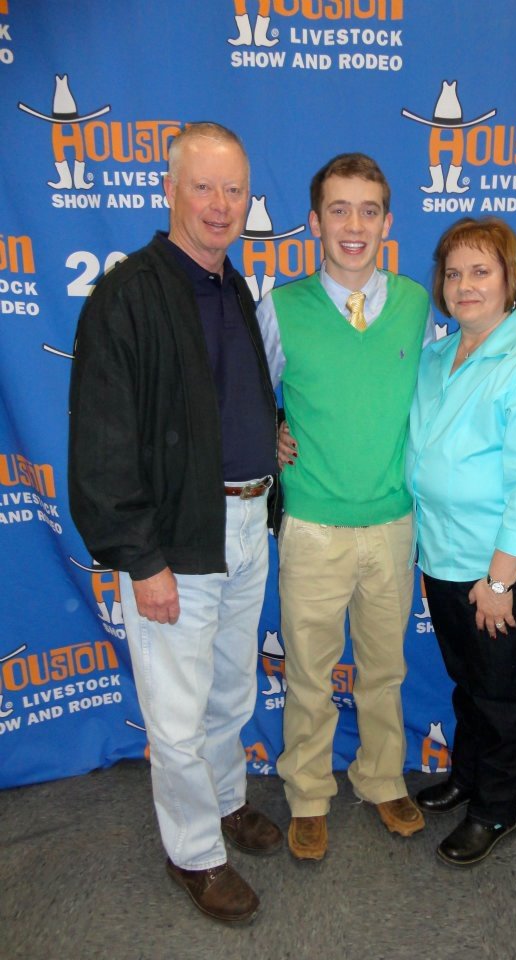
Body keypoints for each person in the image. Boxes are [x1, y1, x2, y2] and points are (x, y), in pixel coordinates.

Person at [68, 122, 282, 923]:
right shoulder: (128, 295)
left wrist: (269, 439)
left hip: (244, 523)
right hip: (174, 544)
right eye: (204, 186)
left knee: (229, 692)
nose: (222, 205)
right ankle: (194, 852)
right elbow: (101, 442)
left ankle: (226, 803)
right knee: (179, 713)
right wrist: (140, 558)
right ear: (169, 190)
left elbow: (219, 401)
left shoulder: (230, 285)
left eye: (235, 190)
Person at [257, 153, 434, 861]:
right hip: (311, 526)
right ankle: (306, 792)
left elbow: (439, 398)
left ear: (388, 222)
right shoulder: (281, 307)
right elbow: (243, 393)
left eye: (368, 210)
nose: (353, 225)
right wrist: (265, 433)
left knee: (385, 667)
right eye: (339, 209)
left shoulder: (421, 304)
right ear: (314, 222)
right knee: (308, 669)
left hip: (392, 524)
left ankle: (382, 777)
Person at [406, 217, 516, 868]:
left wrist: (500, 581)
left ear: (513, 281)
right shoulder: (434, 357)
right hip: (442, 556)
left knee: (500, 692)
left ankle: (496, 807)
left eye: (481, 271)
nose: (464, 285)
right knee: (467, 680)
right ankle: (468, 775)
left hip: (496, 567)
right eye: (453, 273)